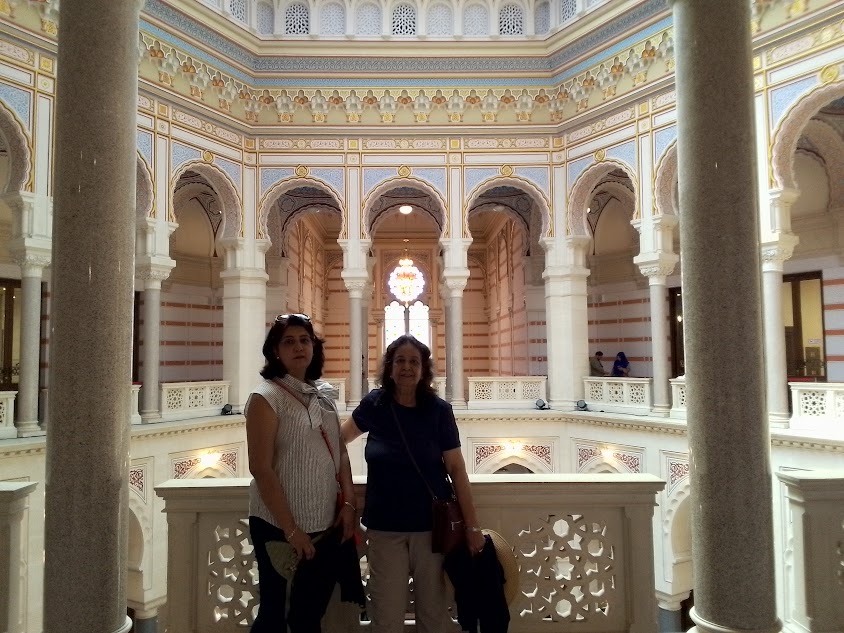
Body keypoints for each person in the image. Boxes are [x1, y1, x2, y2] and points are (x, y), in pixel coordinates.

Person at [341, 334, 485, 633]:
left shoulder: (439, 410)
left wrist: (472, 527)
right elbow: (339, 442)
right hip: (384, 530)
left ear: (424, 369)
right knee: (386, 618)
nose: (406, 367)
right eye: (400, 361)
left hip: (432, 531)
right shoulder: (374, 404)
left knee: (433, 616)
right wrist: (345, 495)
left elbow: (456, 469)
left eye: (414, 362)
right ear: (390, 367)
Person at [246, 313, 362, 633]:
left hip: (323, 526)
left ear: (314, 347)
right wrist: (291, 530)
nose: (298, 347)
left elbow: (340, 453)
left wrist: (349, 503)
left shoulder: (322, 396)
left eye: (304, 340)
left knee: (308, 616)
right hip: (278, 528)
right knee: (275, 615)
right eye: (289, 341)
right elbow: (261, 468)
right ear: (275, 351)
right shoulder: (265, 397)